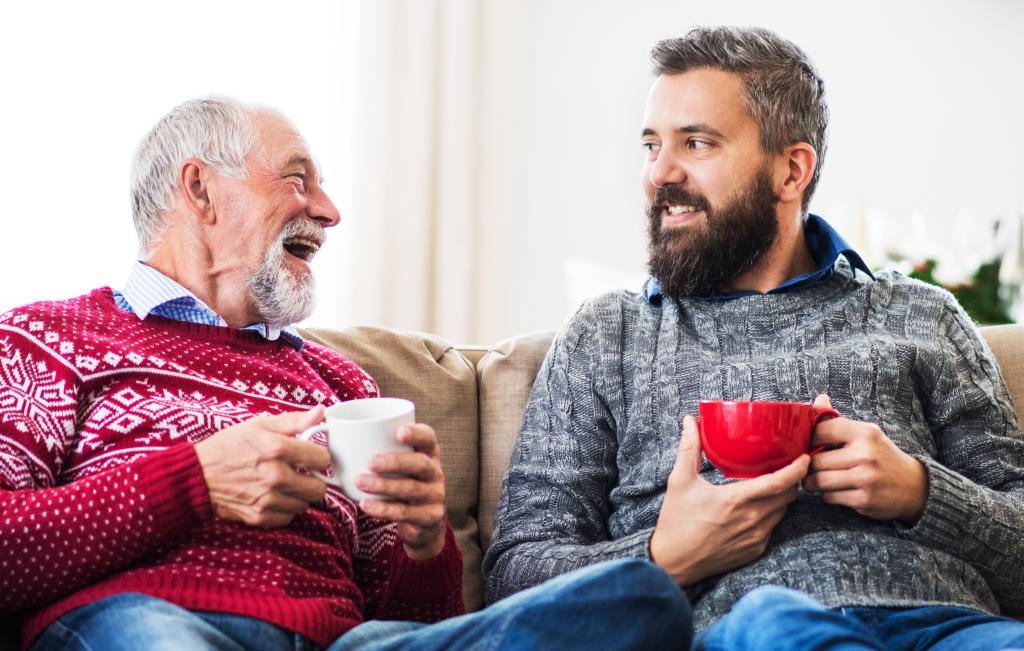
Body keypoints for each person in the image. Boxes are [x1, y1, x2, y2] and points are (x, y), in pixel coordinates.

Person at [0, 97, 692, 651]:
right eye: (297, 179)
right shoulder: (50, 340)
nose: (330, 212)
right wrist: (195, 482)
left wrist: (424, 541)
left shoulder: (341, 382)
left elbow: (416, 619)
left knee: (639, 597)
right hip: (150, 620)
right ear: (199, 188)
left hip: (348, 639)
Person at [483, 26, 1024, 651]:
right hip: (757, 629)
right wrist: (665, 553)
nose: (660, 172)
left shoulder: (922, 314)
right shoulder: (609, 335)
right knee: (779, 623)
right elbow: (514, 580)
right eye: (652, 145)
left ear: (791, 170)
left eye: (697, 143)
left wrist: (921, 491)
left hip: (957, 629)